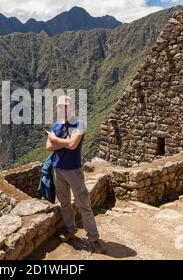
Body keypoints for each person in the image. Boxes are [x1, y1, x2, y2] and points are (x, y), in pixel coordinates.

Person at [46, 95, 105, 254]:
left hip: (74, 170)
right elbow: (48, 147)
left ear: (71, 107)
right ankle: (70, 230)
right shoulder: (56, 125)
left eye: (65, 106)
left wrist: (55, 140)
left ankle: (94, 238)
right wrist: (59, 142)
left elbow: (73, 145)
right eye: (59, 107)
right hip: (58, 170)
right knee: (64, 203)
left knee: (84, 204)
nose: (62, 109)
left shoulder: (80, 123)